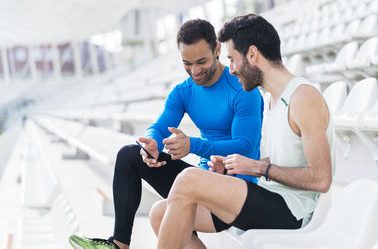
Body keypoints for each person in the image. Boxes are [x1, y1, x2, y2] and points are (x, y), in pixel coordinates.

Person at [68, 19, 264, 249]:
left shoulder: (242, 89)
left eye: (201, 61)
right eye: (187, 63)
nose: (195, 71)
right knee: (130, 155)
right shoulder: (183, 92)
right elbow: (159, 128)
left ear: (218, 49)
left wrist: (193, 145)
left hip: (235, 188)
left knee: (161, 216)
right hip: (200, 180)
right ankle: (119, 245)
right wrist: (150, 143)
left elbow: (245, 146)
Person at [153, 14, 335, 249]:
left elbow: (321, 179)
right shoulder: (274, 99)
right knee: (160, 213)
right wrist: (238, 165)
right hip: (269, 194)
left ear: (252, 54)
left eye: (232, 59)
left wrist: (258, 167)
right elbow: (289, 161)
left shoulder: (303, 97)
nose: (230, 70)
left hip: (291, 210)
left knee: (188, 179)